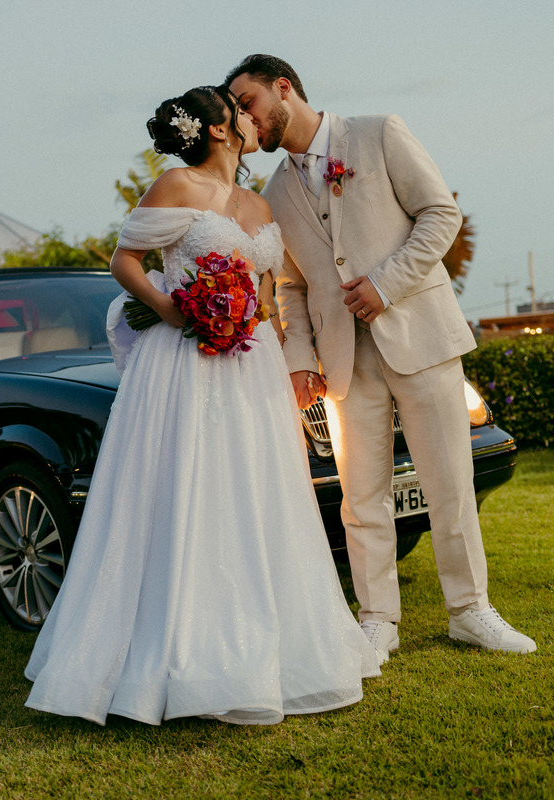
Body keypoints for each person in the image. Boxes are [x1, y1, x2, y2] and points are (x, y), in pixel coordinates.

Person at [24, 85, 380, 726]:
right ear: (218, 129)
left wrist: (274, 338)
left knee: (254, 489)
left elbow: (268, 288)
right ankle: (174, 644)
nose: (249, 116)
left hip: (253, 362)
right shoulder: (176, 185)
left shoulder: (257, 201)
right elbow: (125, 261)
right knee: (186, 485)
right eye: (238, 109)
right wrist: (170, 307)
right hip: (185, 359)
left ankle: (267, 641)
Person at [225, 55, 536, 658]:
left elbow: (441, 215)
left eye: (247, 102)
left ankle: (471, 611)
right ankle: (377, 620)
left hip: (421, 337)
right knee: (361, 496)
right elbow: (289, 285)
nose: (243, 119)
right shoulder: (274, 193)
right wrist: (299, 355)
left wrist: (385, 284)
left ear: (283, 88)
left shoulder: (378, 133)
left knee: (449, 483)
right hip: (344, 360)